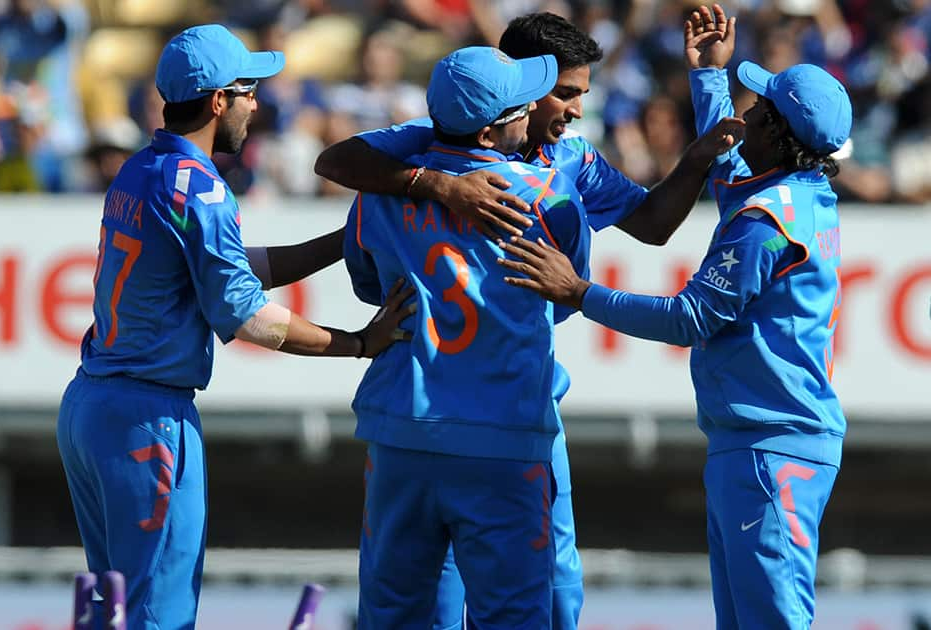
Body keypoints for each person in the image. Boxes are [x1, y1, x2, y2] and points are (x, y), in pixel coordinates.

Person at [314, 11, 742, 629]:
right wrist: (439, 185)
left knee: (459, 595)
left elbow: (650, 225)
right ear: (512, 94)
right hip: (507, 422)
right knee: (518, 603)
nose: (574, 109)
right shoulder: (531, 185)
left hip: (416, 419)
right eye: (564, 93)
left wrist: (696, 158)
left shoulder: (547, 156)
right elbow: (336, 159)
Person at [495, 5, 850, 628]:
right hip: (761, 442)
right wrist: (709, 77)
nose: (745, 112)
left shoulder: (767, 223)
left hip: (770, 446)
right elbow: (727, 164)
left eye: (757, 106)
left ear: (771, 126)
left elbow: (691, 319)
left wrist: (580, 292)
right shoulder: (797, 192)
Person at [56, 24, 414, 630]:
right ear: (218, 100)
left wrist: (338, 241)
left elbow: (220, 269)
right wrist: (360, 344)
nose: (257, 104)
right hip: (150, 420)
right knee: (157, 617)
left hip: (91, 408)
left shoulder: (142, 169)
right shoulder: (201, 188)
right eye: (248, 91)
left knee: (109, 613)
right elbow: (247, 315)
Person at [344, 45, 591, 629]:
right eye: (520, 107)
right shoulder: (550, 196)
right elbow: (563, 297)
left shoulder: (379, 192)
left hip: (402, 428)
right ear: (489, 130)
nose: (532, 112)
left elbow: (366, 284)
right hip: (502, 439)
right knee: (513, 616)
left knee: (394, 615)